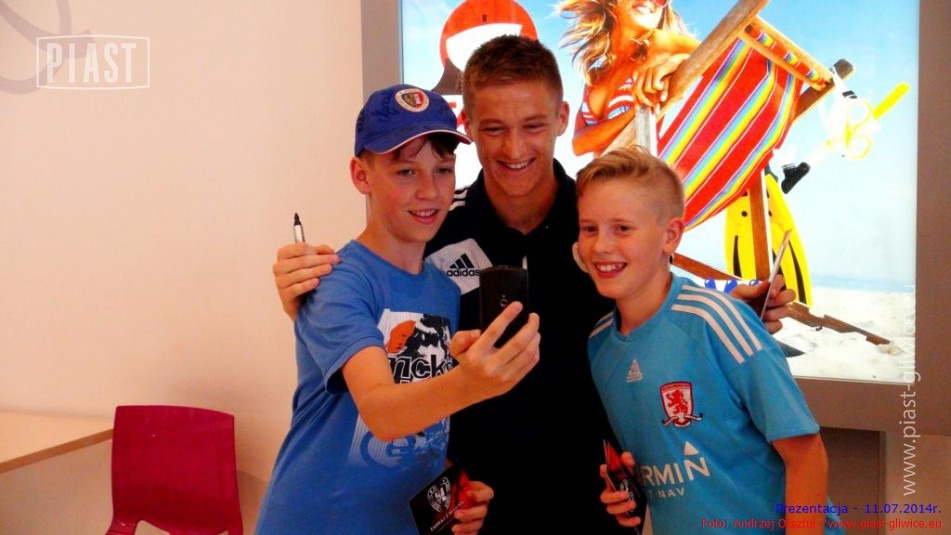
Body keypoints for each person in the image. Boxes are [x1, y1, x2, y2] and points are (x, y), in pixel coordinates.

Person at [271, 36, 793, 533]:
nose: (514, 147)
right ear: (469, 126)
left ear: (562, 118)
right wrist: (306, 297)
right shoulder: (432, 227)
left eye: (533, 125)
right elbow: (376, 299)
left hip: (595, 507)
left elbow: (654, 305)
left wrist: (727, 308)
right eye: (494, 128)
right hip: (471, 511)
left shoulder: (601, 223)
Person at [256, 84, 542, 535]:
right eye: (406, 171)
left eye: (443, 170)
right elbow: (382, 413)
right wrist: (474, 382)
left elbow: (418, 425)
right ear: (361, 175)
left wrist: (453, 490)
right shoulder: (338, 281)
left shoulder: (444, 289)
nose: (429, 191)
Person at [576, 147, 842, 534]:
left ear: (671, 236)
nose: (601, 245)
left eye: (622, 228)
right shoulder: (599, 346)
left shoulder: (717, 321)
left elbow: (806, 455)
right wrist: (626, 489)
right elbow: (668, 464)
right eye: (589, 228)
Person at [559, 0, 699, 156]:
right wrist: (635, 113)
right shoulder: (596, 75)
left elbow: (719, 52)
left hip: (642, 170)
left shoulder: (661, 44)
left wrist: (678, 61)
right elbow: (578, 145)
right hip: (599, 172)